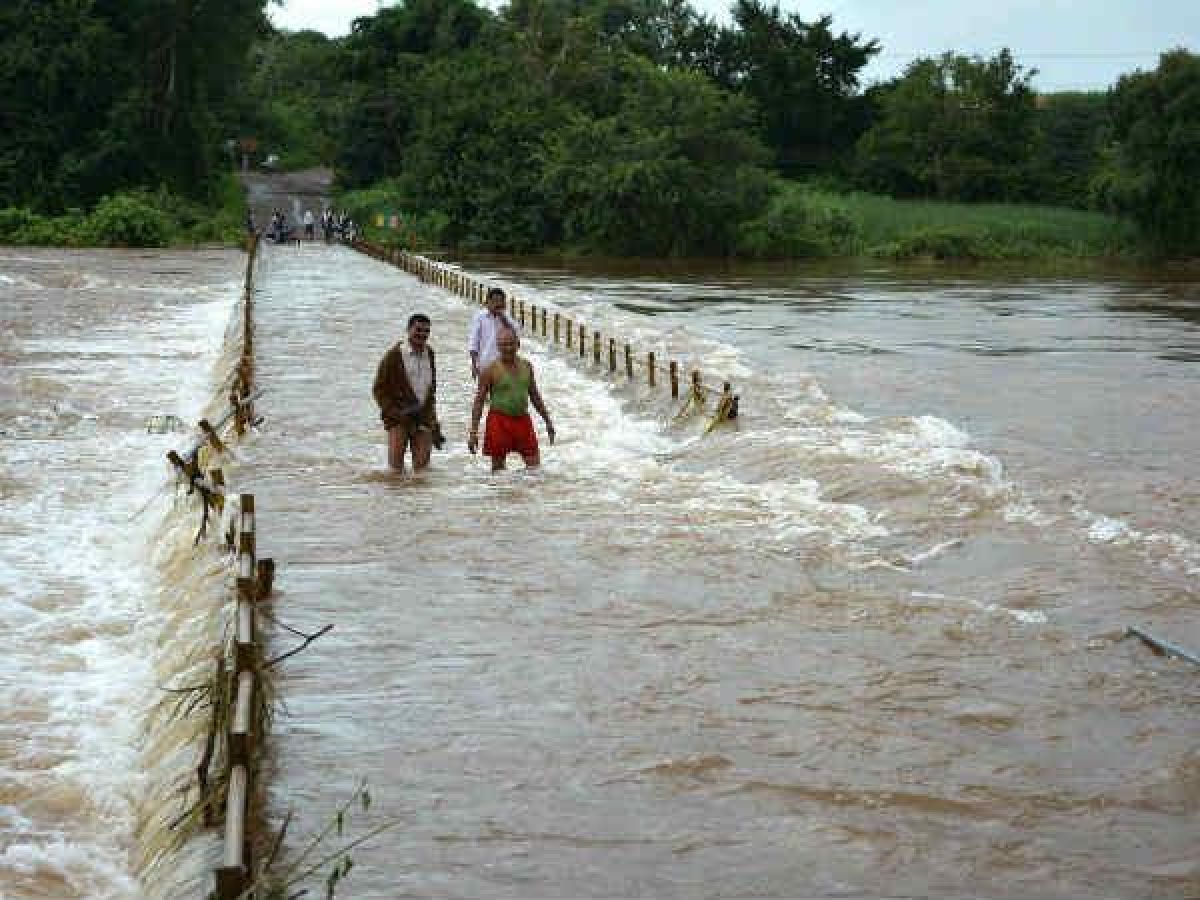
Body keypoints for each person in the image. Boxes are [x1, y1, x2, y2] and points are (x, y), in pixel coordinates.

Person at [468, 328, 554, 471]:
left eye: (511, 344)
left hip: (523, 420)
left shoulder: (527, 366)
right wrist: (473, 432)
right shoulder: (490, 370)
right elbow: (479, 401)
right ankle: (503, 493)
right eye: (503, 345)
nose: (508, 348)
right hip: (498, 421)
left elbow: (534, 395)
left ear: (518, 344)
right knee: (498, 471)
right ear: (497, 346)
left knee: (534, 467)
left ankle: (527, 493)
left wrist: (548, 421)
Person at [372, 314, 442, 473]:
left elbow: (431, 389)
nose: (422, 334)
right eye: (418, 330)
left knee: (422, 472)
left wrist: (434, 421)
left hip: (423, 417)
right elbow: (379, 388)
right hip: (398, 417)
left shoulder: (430, 353)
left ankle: (416, 499)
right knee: (395, 472)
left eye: (426, 331)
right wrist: (393, 412)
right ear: (408, 329)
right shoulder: (393, 355)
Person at [468, 287, 518, 380]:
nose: (498, 304)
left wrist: (503, 319)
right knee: (483, 393)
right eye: (495, 301)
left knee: (501, 393)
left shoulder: (507, 318)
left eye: (501, 301)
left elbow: (516, 338)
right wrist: (474, 365)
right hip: (485, 364)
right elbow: (473, 342)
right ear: (488, 302)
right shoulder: (480, 317)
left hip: (505, 365)